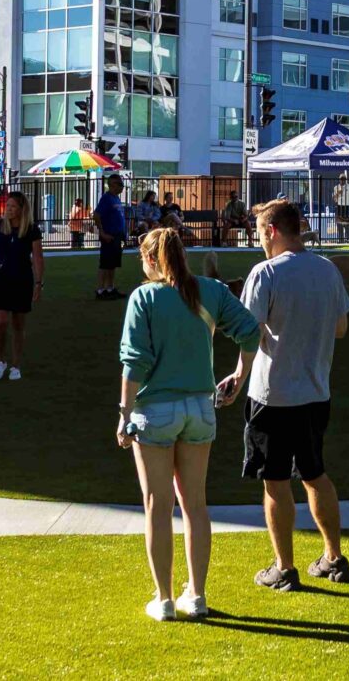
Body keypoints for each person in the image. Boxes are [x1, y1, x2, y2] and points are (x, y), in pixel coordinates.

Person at [115, 228, 262, 621]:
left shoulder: (144, 297)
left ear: (151, 260)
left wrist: (124, 412)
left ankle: (164, 599)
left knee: (157, 506)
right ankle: (196, 595)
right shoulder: (209, 290)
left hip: (155, 412)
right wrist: (239, 375)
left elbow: (135, 360)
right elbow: (250, 332)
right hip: (199, 407)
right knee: (195, 504)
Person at [225, 199, 349, 591]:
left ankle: (284, 568)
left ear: (271, 231)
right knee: (316, 475)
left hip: (273, 395)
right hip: (316, 392)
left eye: (260, 232)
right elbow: (341, 329)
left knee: (275, 481)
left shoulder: (265, 273)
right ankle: (334, 558)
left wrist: (238, 374)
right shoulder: (327, 269)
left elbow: (249, 333)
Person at [0, 189, 46, 381]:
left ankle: (16, 364)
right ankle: (1, 360)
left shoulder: (31, 229)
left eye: (12, 206)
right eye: (7, 205)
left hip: (21, 280)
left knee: (18, 324)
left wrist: (38, 283)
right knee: (1, 322)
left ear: (21, 209)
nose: (8, 209)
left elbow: (38, 257)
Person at [95, 175, 129, 299]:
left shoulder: (116, 199)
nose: (122, 187)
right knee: (105, 264)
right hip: (109, 235)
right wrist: (102, 233)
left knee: (113, 264)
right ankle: (100, 290)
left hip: (117, 236)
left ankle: (110, 288)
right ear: (112, 184)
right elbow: (97, 215)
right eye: (120, 184)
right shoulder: (106, 198)